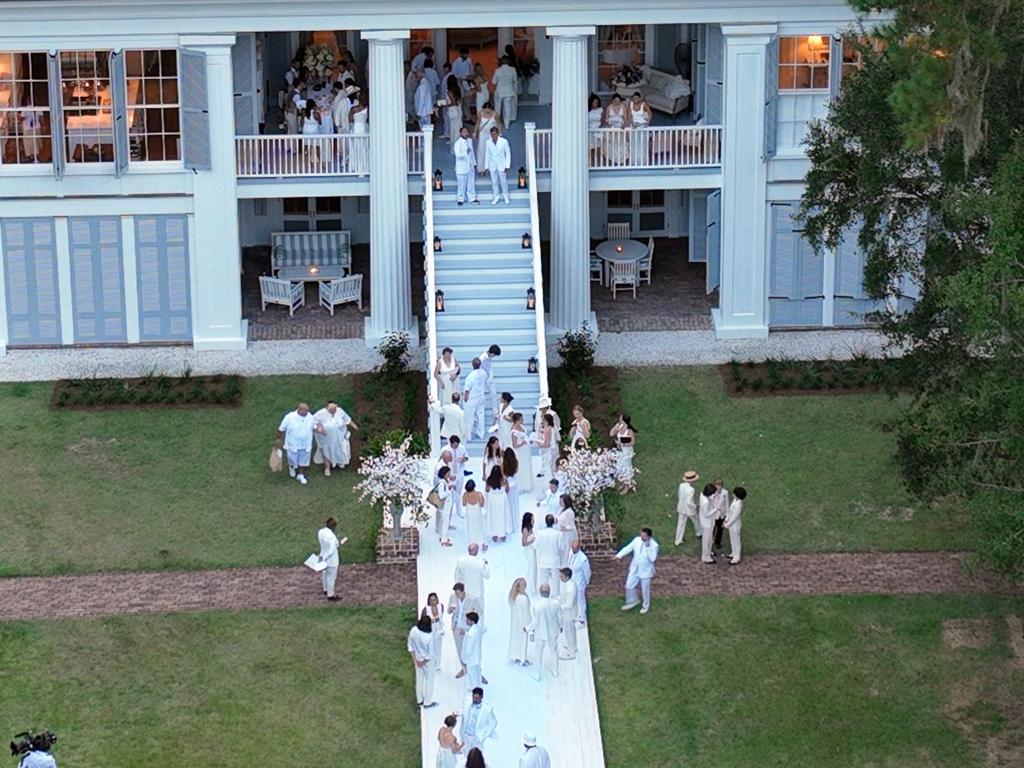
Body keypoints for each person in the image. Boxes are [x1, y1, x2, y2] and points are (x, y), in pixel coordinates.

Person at [276, 402, 322, 485]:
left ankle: (301, 474)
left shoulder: (310, 417)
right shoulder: (289, 417)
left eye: (308, 411)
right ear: (299, 410)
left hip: (306, 443)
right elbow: (281, 429)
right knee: (292, 459)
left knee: (303, 460)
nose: (307, 413)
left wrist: (319, 428)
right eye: (305, 411)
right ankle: (292, 467)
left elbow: (315, 427)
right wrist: (278, 439)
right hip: (293, 443)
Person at [616, 526, 659, 613]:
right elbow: (628, 548)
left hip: (646, 571)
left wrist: (648, 547)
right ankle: (632, 601)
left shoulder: (654, 545)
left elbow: (653, 558)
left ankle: (645, 606)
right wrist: (618, 555)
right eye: (641, 535)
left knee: (645, 590)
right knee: (628, 585)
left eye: (644, 536)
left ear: (648, 537)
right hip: (635, 568)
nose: (641, 537)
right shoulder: (637, 540)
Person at [526, 583, 561, 681]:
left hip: (541, 633)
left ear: (540, 592)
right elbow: (560, 617)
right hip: (553, 631)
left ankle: (537, 673)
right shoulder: (556, 603)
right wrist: (561, 626)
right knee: (554, 651)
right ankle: (555, 671)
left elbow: (535, 622)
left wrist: (527, 628)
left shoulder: (537, 606)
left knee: (538, 653)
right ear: (549, 592)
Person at [313, 401, 358, 475]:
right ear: (327, 407)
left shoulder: (340, 411)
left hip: (340, 436)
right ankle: (327, 468)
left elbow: (347, 419)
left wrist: (355, 427)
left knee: (341, 449)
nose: (333, 411)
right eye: (331, 409)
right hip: (326, 438)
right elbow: (313, 421)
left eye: (334, 409)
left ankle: (340, 462)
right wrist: (319, 427)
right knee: (326, 451)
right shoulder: (320, 413)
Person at [448, 582, 482, 674]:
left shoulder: (472, 599)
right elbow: (448, 610)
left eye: (458, 593)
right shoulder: (453, 597)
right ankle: (464, 668)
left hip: (467, 628)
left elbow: (479, 611)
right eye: (456, 593)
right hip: (456, 627)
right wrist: (450, 610)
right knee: (460, 649)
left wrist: (471, 623)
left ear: (463, 592)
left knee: (470, 649)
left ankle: (476, 671)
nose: (457, 595)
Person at [454, 543, 491, 618]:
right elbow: (487, 575)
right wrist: (486, 564)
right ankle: (480, 626)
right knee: (479, 611)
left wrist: (459, 590)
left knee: (466, 611)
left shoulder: (461, 561)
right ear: (476, 551)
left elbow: (456, 576)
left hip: (465, 592)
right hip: (478, 592)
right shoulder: (480, 563)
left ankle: (466, 626)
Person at [408, 613, 437, 708]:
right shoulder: (429, 637)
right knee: (429, 680)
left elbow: (410, 646)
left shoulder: (414, 630)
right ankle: (428, 702)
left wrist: (416, 661)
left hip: (417, 658)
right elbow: (430, 654)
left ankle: (419, 699)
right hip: (427, 662)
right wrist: (423, 662)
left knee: (419, 679)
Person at [460, 688, 497, 756]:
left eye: (477, 698)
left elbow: (493, 722)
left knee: (476, 758)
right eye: (473, 697)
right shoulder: (466, 702)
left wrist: (484, 735)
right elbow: (462, 711)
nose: (474, 699)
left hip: (476, 738)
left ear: (481, 697)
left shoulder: (487, 709)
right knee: (465, 756)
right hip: (466, 736)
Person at [317, 516, 344, 601]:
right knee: (331, 577)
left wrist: (322, 557)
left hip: (322, 555)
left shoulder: (321, 532)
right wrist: (324, 557)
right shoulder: (331, 537)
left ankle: (325, 589)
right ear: (333, 526)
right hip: (331, 560)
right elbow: (332, 550)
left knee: (325, 574)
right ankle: (330, 595)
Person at [535, 513, 562, 596]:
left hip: (543, 560)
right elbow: (561, 547)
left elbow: (535, 545)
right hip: (554, 560)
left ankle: (543, 596)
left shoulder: (539, 533)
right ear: (553, 522)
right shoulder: (558, 534)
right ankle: (556, 597)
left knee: (543, 580)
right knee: (555, 581)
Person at [507, 577, 532, 665]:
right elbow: (526, 612)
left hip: (515, 622)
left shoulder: (513, 597)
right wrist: (530, 623)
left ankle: (515, 656)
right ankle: (522, 659)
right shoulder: (523, 598)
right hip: (523, 622)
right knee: (523, 640)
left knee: (515, 638)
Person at [484, 126, 512, 205]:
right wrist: (486, 167)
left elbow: (508, 154)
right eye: (492, 134)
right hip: (492, 165)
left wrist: (507, 165)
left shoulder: (504, 141)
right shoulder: (488, 142)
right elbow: (487, 154)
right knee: (494, 182)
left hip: (501, 164)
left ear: (498, 134)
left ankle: (506, 195)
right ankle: (496, 196)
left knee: (503, 181)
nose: (494, 136)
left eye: (495, 134)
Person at [610, 414, 637, 493]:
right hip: (619, 451)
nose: (619, 419)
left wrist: (622, 442)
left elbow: (632, 442)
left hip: (626, 451)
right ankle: (623, 482)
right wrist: (615, 428)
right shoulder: (619, 426)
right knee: (620, 467)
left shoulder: (629, 430)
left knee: (627, 467)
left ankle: (628, 485)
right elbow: (611, 434)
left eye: (621, 418)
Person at [567, 540, 592, 624]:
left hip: (579, 582)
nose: (573, 550)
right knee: (572, 598)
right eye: (572, 548)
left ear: (579, 548)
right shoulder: (570, 552)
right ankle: (575, 614)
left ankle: (581, 617)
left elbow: (587, 572)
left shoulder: (583, 559)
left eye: (575, 549)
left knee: (580, 599)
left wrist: (586, 582)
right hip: (571, 580)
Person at [463, 358, 489, 440]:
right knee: (480, 416)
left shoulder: (470, 376)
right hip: (481, 397)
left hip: (472, 398)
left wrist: (465, 398)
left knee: (469, 417)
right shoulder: (484, 373)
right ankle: (481, 434)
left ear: (472, 364)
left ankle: (468, 436)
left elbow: (467, 390)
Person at [510, 412, 535, 495]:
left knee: (526, 466)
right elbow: (514, 445)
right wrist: (523, 443)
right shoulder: (513, 431)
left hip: (525, 450)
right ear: (517, 420)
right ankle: (521, 486)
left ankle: (527, 485)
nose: (523, 420)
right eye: (521, 419)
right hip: (519, 452)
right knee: (521, 467)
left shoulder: (521, 427)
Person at [452, 124, 477, 205]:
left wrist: (474, 163)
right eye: (464, 132)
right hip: (461, 167)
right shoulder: (457, 143)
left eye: (466, 132)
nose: (466, 133)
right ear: (460, 133)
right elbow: (458, 155)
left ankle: (472, 198)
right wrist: (465, 152)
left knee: (471, 183)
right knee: (461, 184)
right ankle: (460, 199)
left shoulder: (469, 141)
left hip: (470, 165)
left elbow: (472, 153)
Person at [462, 611, 487, 689]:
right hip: (477, 655)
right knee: (477, 671)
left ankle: (474, 687)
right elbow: (484, 628)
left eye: (467, 619)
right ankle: (478, 684)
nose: (466, 621)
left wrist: (466, 656)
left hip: (471, 656)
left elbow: (469, 646)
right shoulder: (477, 628)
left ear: (472, 621)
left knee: (472, 673)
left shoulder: (472, 632)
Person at [675, 470, 700, 546]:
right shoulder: (691, 490)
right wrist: (695, 506)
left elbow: (680, 495)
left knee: (681, 524)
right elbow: (689, 502)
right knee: (696, 519)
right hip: (689, 509)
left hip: (681, 507)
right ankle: (699, 532)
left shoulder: (681, 485)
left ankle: (678, 540)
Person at [491, 55, 519, 126]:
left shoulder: (498, 70)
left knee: (497, 108)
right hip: (509, 91)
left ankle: (497, 124)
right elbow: (514, 80)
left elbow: (493, 82)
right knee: (507, 108)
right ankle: (507, 125)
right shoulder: (513, 69)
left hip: (499, 91)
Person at [557, 567, 578, 659]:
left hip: (569, 614)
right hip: (567, 613)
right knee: (570, 631)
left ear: (566, 576)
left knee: (569, 632)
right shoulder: (567, 584)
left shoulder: (570, 588)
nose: (560, 577)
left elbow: (569, 604)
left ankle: (571, 652)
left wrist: (559, 607)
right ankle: (573, 646)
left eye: (561, 576)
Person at [484, 464, 508, 544]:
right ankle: (502, 534)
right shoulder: (504, 480)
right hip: (501, 499)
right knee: (502, 516)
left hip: (492, 500)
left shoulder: (489, 480)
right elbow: (507, 490)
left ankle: (494, 535)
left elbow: (487, 490)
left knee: (493, 516)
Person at [474, 101, 500, 172]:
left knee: (490, 150)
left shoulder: (495, 114)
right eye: (485, 111)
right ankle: (480, 169)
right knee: (481, 150)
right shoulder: (480, 113)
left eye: (488, 111)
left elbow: (498, 124)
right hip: (482, 133)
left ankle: (489, 168)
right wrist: (475, 132)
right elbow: (478, 122)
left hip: (491, 134)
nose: (486, 112)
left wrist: (499, 134)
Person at [423, 593, 447, 672]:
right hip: (430, 628)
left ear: (437, 599)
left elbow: (441, 616)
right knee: (430, 647)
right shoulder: (426, 609)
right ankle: (430, 664)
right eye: (431, 600)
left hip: (438, 628)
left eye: (435, 599)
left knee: (438, 647)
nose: (433, 602)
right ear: (429, 601)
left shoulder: (441, 606)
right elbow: (422, 620)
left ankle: (437, 665)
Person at [628, 90, 653, 165]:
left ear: (639, 99)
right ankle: (634, 161)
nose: (635, 100)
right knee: (634, 143)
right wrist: (632, 123)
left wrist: (647, 122)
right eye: (634, 98)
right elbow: (629, 115)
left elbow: (650, 113)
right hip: (634, 125)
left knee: (642, 143)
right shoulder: (631, 104)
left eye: (637, 98)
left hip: (642, 124)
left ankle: (643, 161)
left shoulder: (643, 104)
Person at [724, 486, 747, 564]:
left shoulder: (738, 505)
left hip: (735, 525)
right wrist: (727, 519)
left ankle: (737, 557)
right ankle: (733, 553)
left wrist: (727, 524)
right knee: (732, 539)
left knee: (736, 540)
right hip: (731, 524)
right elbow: (730, 512)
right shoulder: (735, 500)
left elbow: (734, 517)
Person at [463, 479, 487, 553]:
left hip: (469, 513)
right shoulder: (479, 494)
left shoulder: (465, 495)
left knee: (471, 527)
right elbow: (482, 505)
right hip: (477, 513)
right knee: (479, 527)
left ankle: (472, 545)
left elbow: (463, 504)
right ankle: (482, 544)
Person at [435, 465, 456, 547]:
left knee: (444, 522)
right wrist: (449, 491)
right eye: (448, 473)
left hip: (446, 506)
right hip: (444, 507)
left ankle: (442, 537)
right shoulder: (442, 483)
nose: (449, 474)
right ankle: (444, 540)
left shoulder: (445, 481)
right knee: (445, 523)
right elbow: (441, 495)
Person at [556, 494, 579, 566]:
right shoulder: (561, 510)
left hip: (568, 536)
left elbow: (571, 526)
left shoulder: (569, 512)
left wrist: (564, 528)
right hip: (562, 535)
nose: (560, 503)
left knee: (567, 552)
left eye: (561, 501)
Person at [535, 413, 559, 480]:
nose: (542, 422)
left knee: (549, 466)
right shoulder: (551, 428)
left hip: (549, 450)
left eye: (544, 420)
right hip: (553, 449)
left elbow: (547, 444)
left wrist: (539, 443)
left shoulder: (547, 429)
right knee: (553, 465)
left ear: (547, 421)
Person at [478, 344, 502, 410]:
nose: (494, 356)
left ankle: (495, 412)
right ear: (491, 352)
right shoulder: (482, 358)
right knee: (480, 395)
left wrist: (490, 375)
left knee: (493, 394)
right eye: (494, 355)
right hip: (482, 377)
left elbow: (489, 366)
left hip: (489, 376)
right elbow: (477, 369)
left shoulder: (490, 355)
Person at [698, 483, 717, 564]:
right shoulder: (705, 502)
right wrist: (715, 509)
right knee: (707, 539)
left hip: (707, 521)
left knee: (709, 538)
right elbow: (706, 514)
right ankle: (706, 556)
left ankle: (708, 552)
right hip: (707, 522)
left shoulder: (702, 495)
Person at [503, 447, 520, 533]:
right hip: (514, 484)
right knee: (514, 505)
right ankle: (514, 524)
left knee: (507, 505)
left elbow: (503, 475)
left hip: (507, 484)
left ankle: (508, 525)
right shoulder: (516, 462)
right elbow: (516, 472)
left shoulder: (503, 464)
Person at [711, 479, 730, 556]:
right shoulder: (712, 492)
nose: (718, 487)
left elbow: (727, 504)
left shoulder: (725, 493)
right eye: (717, 485)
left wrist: (727, 515)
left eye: (720, 485)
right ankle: (710, 541)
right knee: (712, 528)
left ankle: (717, 542)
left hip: (721, 514)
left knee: (720, 529)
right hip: (714, 514)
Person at [521, 511, 538, 596]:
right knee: (532, 568)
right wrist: (533, 540)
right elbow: (524, 543)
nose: (534, 520)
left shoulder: (531, 527)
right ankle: (531, 588)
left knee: (534, 568)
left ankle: (533, 586)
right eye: (532, 519)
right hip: (529, 551)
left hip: (533, 550)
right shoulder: (525, 529)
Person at [587, 93, 604, 164]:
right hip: (590, 131)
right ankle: (590, 164)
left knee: (598, 149)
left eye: (597, 102)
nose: (595, 103)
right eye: (594, 102)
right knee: (590, 149)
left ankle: (597, 164)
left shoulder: (600, 110)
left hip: (597, 130)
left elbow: (602, 120)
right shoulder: (587, 111)